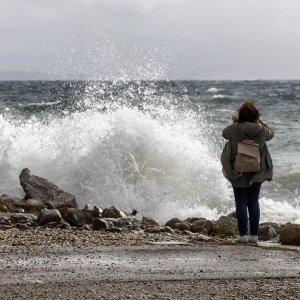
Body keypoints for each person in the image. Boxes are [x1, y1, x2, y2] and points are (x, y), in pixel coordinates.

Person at [221, 102, 274, 243]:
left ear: (240, 116)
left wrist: (234, 122)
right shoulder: (262, 130)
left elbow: (224, 134)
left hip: (239, 169)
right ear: (256, 116)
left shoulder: (234, 128)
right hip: (257, 169)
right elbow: (271, 133)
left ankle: (243, 235)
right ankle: (254, 236)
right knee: (253, 201)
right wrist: (259, 122)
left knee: (241, 201)